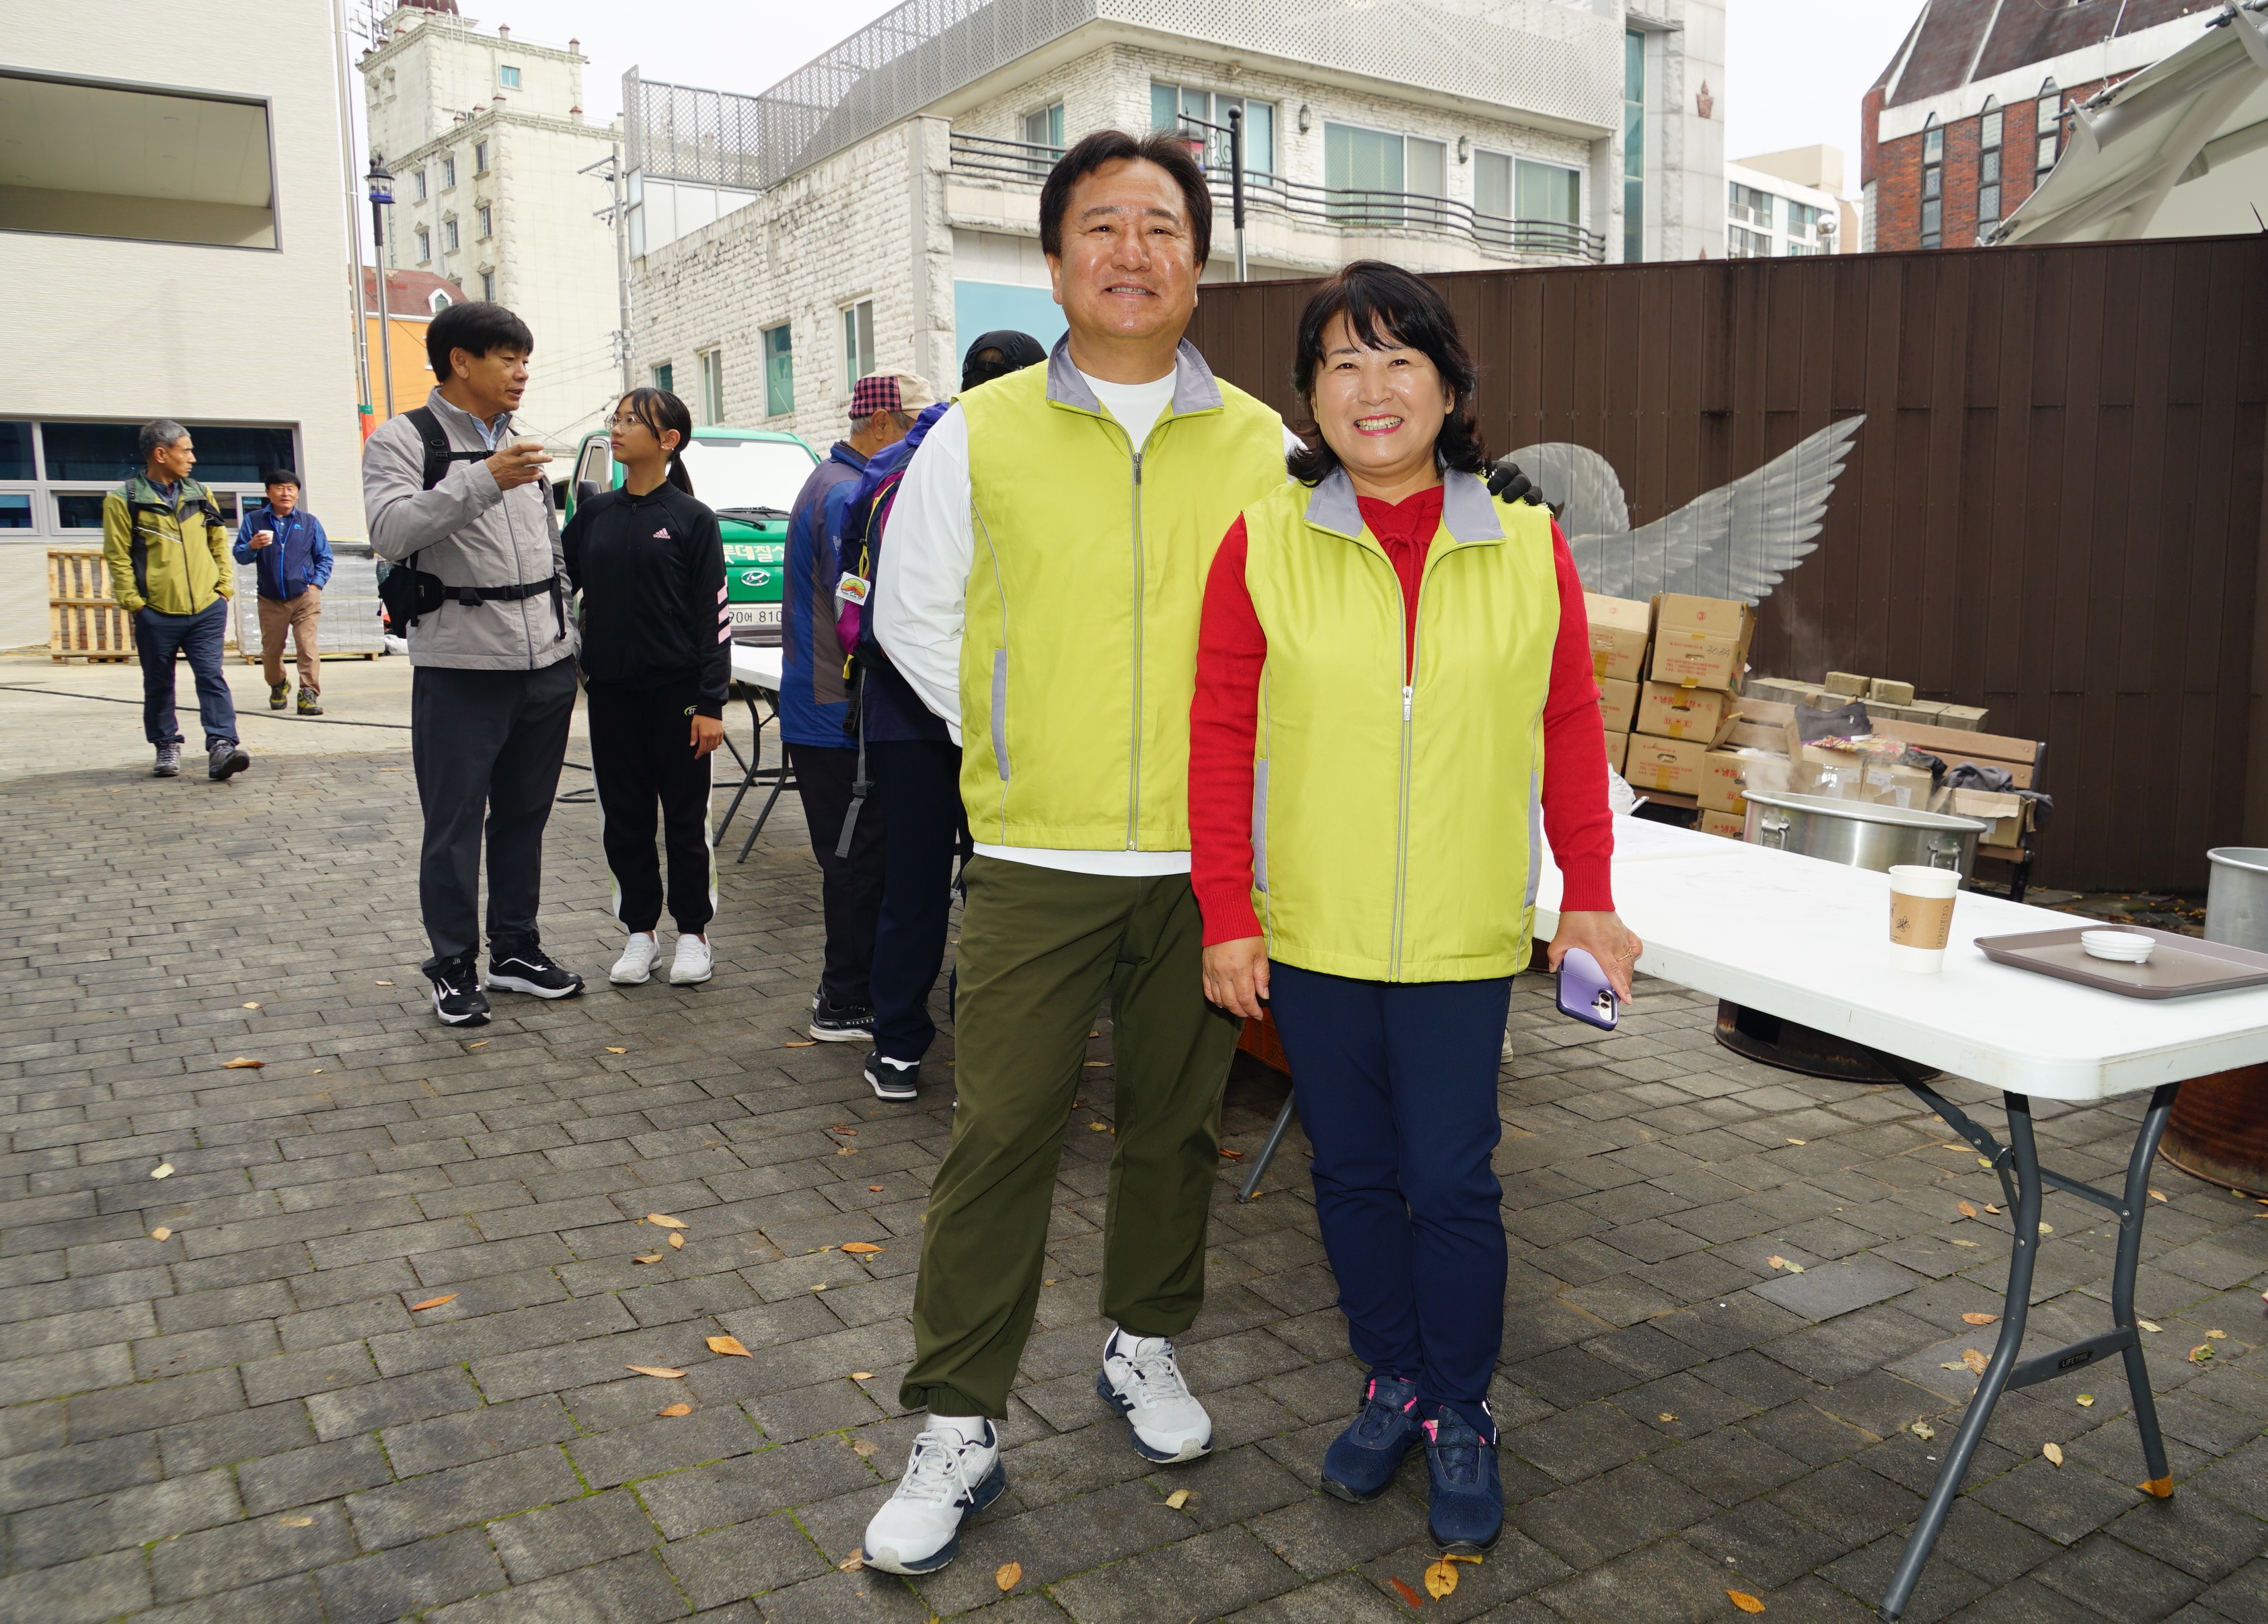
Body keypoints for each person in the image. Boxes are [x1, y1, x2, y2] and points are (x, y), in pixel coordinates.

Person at [860, 130, 1299, 1577]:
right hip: (1038, 853)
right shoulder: (979, 430)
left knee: (1178, 1123)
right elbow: (916, 614)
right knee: (1001, 1134)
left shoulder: (1262, 445)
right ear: (1054, 264)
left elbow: (1298, 639)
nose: (1130, 250)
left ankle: (1144, 1338)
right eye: (1100, 225)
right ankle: (957, 1419)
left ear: (1199, 265)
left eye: (1160, 226)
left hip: (1204, 863)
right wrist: (1017, 738)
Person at [1188, 262, 1641, 1553]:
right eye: (1342, 361)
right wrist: (1227, 909)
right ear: (1309, 396)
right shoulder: (1263, 541)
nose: (1371, 386)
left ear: (1448, 386)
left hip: (1458, 934)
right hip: (1313, 931)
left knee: (1448, 1182)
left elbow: (1567, 724)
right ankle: (1389, 1380)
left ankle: (1460, 1408)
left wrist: (1589, 894)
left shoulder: (1527, 545)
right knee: (1348, 1174)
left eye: (1399, 358)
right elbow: (1218, 734)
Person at [832, 332, 1046, 1103]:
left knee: (911, 884)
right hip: (1005, 715)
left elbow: (853, 586)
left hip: (902, 714)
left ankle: (896, 1048)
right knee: (1001, 886)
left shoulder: (892, 465)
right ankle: (986, 1041)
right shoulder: (1030, 461)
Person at [364, 300, 585, 1027]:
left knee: (525, 816)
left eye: (525, 360)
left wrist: (567, 639)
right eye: (508, 359)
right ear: (461, 361)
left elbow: (549, 552)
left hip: (545, 665)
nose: (522, 373)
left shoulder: (516, 441)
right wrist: (483, 478)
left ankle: (515, 950)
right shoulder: (406, 439)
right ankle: (454, 964)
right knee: (454, 824)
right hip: (460, 667)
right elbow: (391, 530)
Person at [780, 370, 937, 1041]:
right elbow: (862, 606)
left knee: (856, 854)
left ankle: (847, 987)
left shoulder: (834, 480)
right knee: (856, 858)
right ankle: (845, 999)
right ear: (881, 425)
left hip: (827, 705)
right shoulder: (849, 492)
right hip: (836, 710)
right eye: (913, 426)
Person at [562, 389, 730, 989]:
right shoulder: (594, 516)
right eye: (617, 418)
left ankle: (694, 934)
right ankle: (640, 932)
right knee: (624, 817)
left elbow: (715, 617)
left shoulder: (692, 518)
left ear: (668, 440)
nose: (618, 428)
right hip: (611, 695)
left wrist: (711, 702)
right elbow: (560, 585)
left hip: (679, 696)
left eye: (632, 420)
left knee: (685, 819)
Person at [103, 420, 250, 781]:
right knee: (159, 682)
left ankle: (221, 746)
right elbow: (118, 556)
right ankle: (166, 744)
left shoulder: (200, 493)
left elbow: (218, 541)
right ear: (161, 454)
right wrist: (135, 603)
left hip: (206, 607)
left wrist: (223, 590)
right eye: (186, 450)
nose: (192, 458)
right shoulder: (124, 500)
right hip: (156, 611)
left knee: (211, 676)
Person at [233, 468, 334, 715]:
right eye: (279, 488)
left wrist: (316, 584)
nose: (286, 493)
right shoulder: (254, 520)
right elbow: (240, 555)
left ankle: (308, 693)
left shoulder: (309, 523)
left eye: (291, 488)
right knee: (271, 650)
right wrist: (252, 546)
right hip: (270, 598)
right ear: (268, 492)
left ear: (297, 493)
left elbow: (324, 557)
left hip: (304, 596)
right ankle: (278, 684)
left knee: (306, 646)